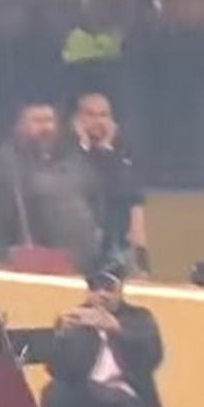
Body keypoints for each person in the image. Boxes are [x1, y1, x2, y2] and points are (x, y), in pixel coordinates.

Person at [41, 264, 174, 407]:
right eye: (95, 288)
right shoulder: (76, 320)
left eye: (109, 288)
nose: (102, 294)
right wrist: (61, 336)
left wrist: (117, 328)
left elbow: (153, 355)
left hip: (125, 400)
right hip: (86, 399)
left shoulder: (139, 319)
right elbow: (58, 371)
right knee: (54, 393)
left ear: (120, 290)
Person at [0, 101, 103, 273]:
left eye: (49, 120)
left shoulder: (75, 161)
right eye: (37, 121)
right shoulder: (9, 165)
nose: (46, 127)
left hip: (83, 266)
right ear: (20, 127)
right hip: (36, 267)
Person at [74, 92, 150, 276]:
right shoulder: (67, 156)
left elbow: (135, 207)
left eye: (103, 115)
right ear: (77, 120)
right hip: (79, 251)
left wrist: (142, 259)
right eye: (91, 115)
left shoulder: (123, 158)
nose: (98, 121)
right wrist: (84, 147)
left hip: (118, 250)